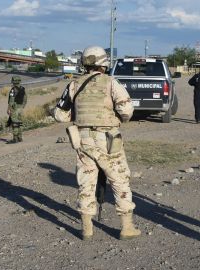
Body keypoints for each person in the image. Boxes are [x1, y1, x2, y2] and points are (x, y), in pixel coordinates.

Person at [52, 46, 141, 240]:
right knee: (119, 179)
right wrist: (115, 118)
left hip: (82, 139)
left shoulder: (74, 85)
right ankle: (126, 228)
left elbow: (59, 114)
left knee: (86, 182)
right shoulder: (111, 82)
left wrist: (76, 115)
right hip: (108, 139)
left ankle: (87, 229)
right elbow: (126, 110)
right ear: (103, 63)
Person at [7, 76, 27, 143]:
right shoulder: (23, 89)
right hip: (20, 108)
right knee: (20, 124)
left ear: (14, 81)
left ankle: (15, 139)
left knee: (15, 124)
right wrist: (22, 106)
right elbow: (25, 99)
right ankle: (20, 138)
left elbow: (11, 100)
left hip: (15, 108)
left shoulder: (13, 90)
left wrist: (9, 108)